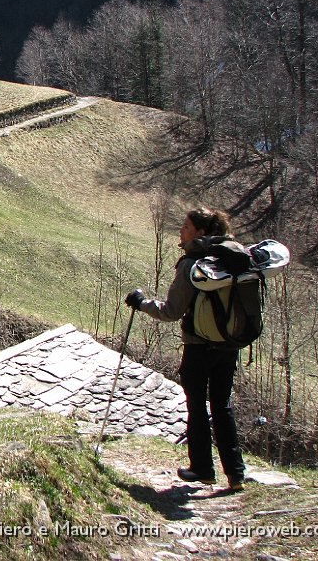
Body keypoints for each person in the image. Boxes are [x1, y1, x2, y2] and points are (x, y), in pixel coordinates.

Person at [125, 208, 246, 492]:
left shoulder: (192, 263)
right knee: (222, 404)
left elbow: (172, 311)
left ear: (201, 233)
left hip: (198, 346)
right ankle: (236, 473)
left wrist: (141, 303)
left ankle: (202, 468)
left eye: (186, 226)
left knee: (197, 405)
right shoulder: (228, 259)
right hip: (228, 345)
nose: (181, 231)